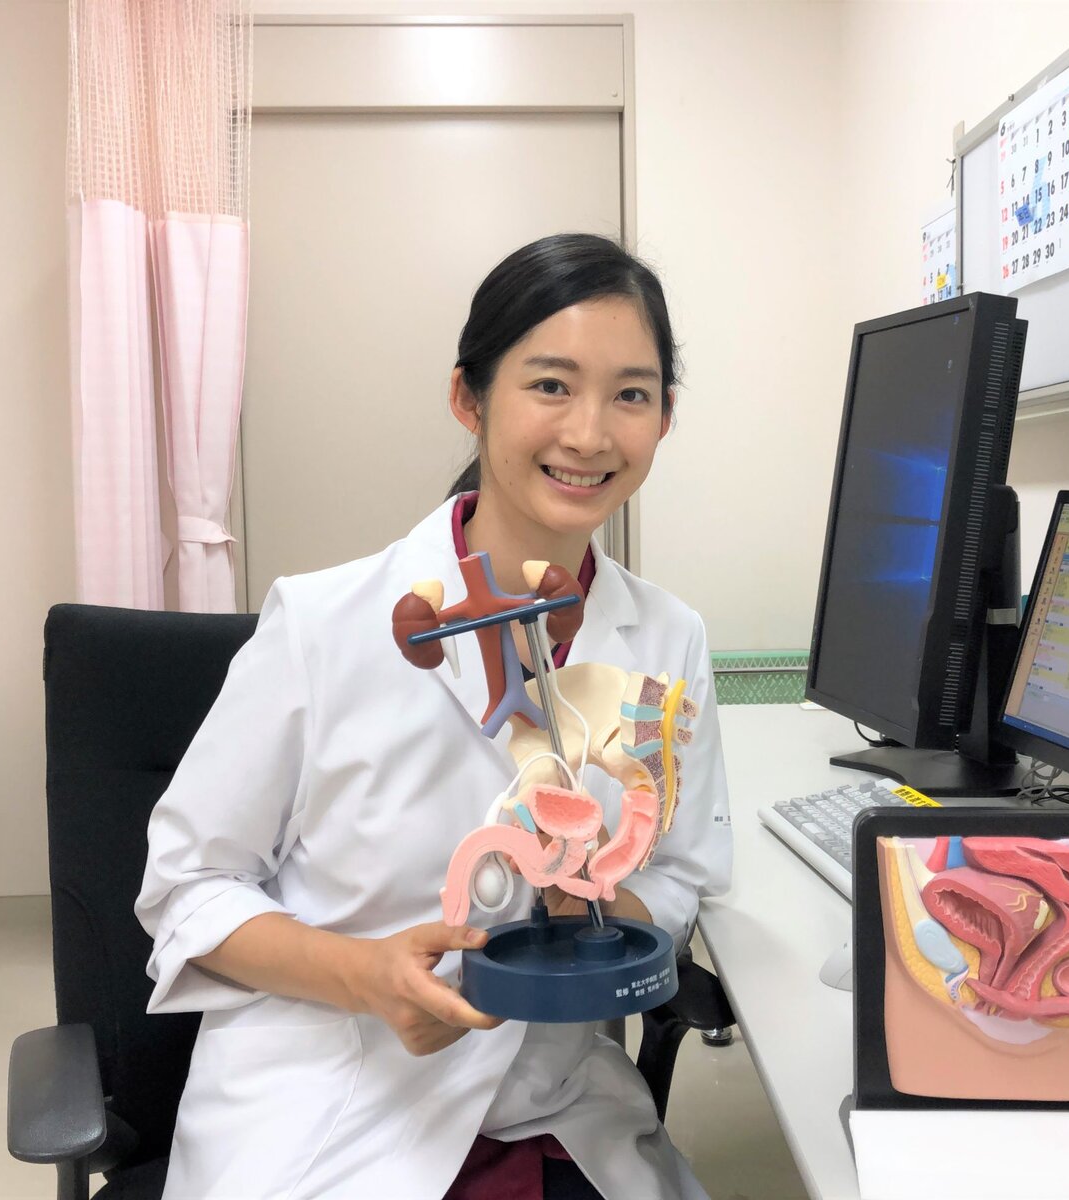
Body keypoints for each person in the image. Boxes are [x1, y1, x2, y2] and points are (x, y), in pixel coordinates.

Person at [136, 233, 733, 1199]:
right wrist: (364, 974)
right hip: (328, 1100)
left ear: (665, 418)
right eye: (550, 385)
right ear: (469, 397)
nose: (590, 434)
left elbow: (682, 875)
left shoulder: (668, 637)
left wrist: (603, 906)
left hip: (556, 1103)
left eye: (631, 394)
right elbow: (188, 886)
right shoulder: (324, 623)